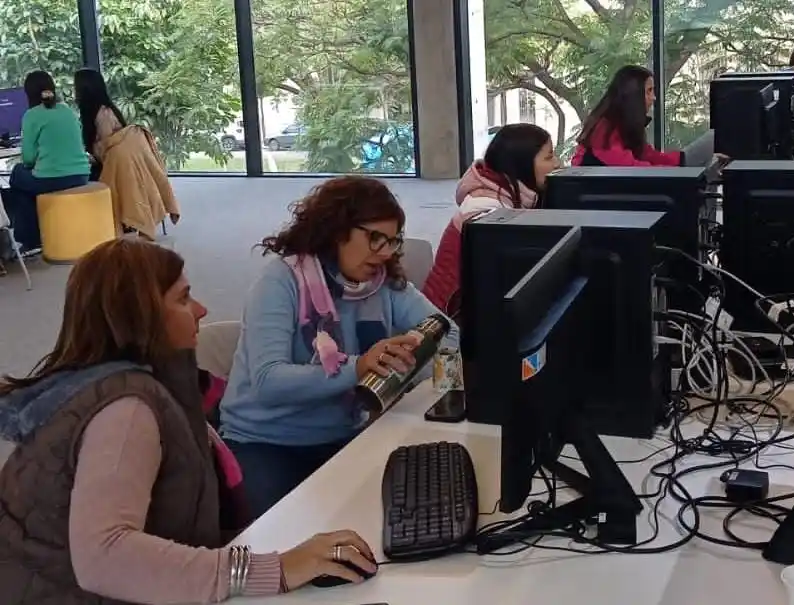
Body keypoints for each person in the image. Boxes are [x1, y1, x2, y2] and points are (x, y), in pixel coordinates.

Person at [0, 238, 377, 603]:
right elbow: (104, 556)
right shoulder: (125, 411)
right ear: (139, 317)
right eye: (183, 298)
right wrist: (269, 569)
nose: (201, 310)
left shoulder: (128, 383)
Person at [219, 175, 459, 520]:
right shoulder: (281, 282)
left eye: (392, 241)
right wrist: (359, 369)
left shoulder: (383, 283)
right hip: (266, 441)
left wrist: (403, 370)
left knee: (409, 512)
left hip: (347, 432)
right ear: (337, 229)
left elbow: (448, 335)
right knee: (284, 545)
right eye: (375, 238)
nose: (385, 252)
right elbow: (268, 381)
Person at [421, 123, 560, 317]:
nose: (557, 164)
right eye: (549, 157)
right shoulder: (487, 212)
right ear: (522, 162)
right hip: (447, 323)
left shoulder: (504, 196)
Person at [74, 68, 180, 239]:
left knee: (86, 181)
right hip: (125, 160)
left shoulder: (102, 114)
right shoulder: (107, 109)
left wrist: (92, 155)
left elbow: (107, 147)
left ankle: (103, 227)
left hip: (118, 163)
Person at [0, 71, 89, 255]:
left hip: (54, 178)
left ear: (28, 93)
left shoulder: (32, 115)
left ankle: (29, 238)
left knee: (18, 175)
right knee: (26, 183)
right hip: (81, 174)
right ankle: (32, 234)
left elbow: (28, 159)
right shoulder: (67, 110)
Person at [572, 65, 683, 167]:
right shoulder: (604, 128)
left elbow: (649, 156)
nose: (653, 97)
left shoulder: (624, 126)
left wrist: (681, 160)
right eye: (649, 91)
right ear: (633, 95)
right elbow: (628, 168)